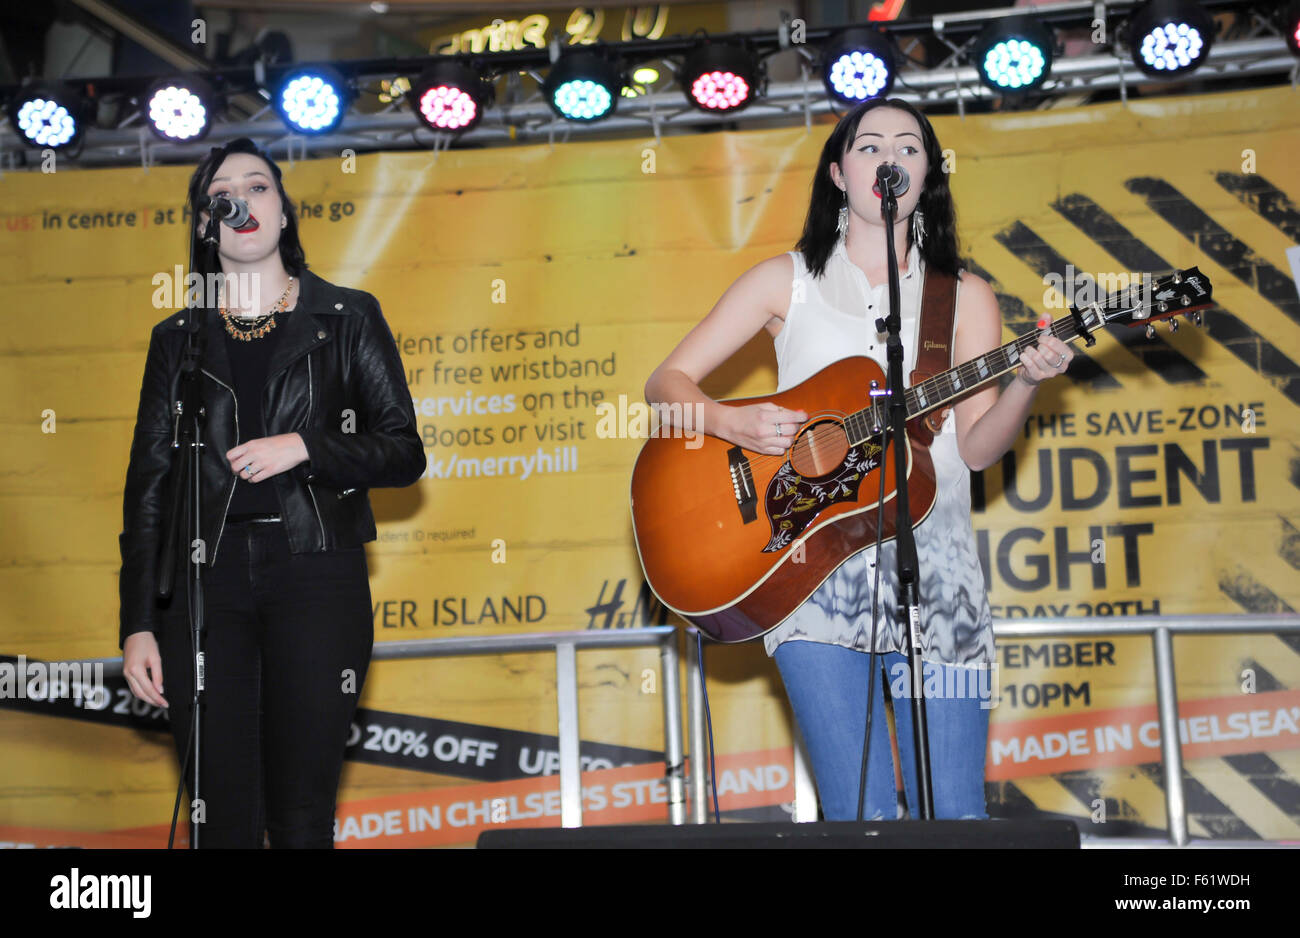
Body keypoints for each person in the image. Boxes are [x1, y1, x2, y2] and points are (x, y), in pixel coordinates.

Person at [644, 99, 1074, 822]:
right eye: (870, 146)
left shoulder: (963, 294)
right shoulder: (784, 281)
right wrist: (732, 421)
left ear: (927, 172)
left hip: (939, 582)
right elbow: (665, 389)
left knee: (959, 816)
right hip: (811, 581)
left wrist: (1026, 383)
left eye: (909, 146)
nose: (890, 157)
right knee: (857, 818)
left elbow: (974, 445)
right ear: (840, 174)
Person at [117, 137, 425, 847]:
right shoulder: (178, 338)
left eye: (259, 187)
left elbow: (403, 450)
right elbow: (150, 484)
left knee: (300, 814)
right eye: (222, 193)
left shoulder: (347, 317)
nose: (242, 201)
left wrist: (308, 447)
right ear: (205, 224)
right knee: (222, 818)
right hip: (204, 583)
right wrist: (138, 620)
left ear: (283, 214)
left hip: (315, 572)